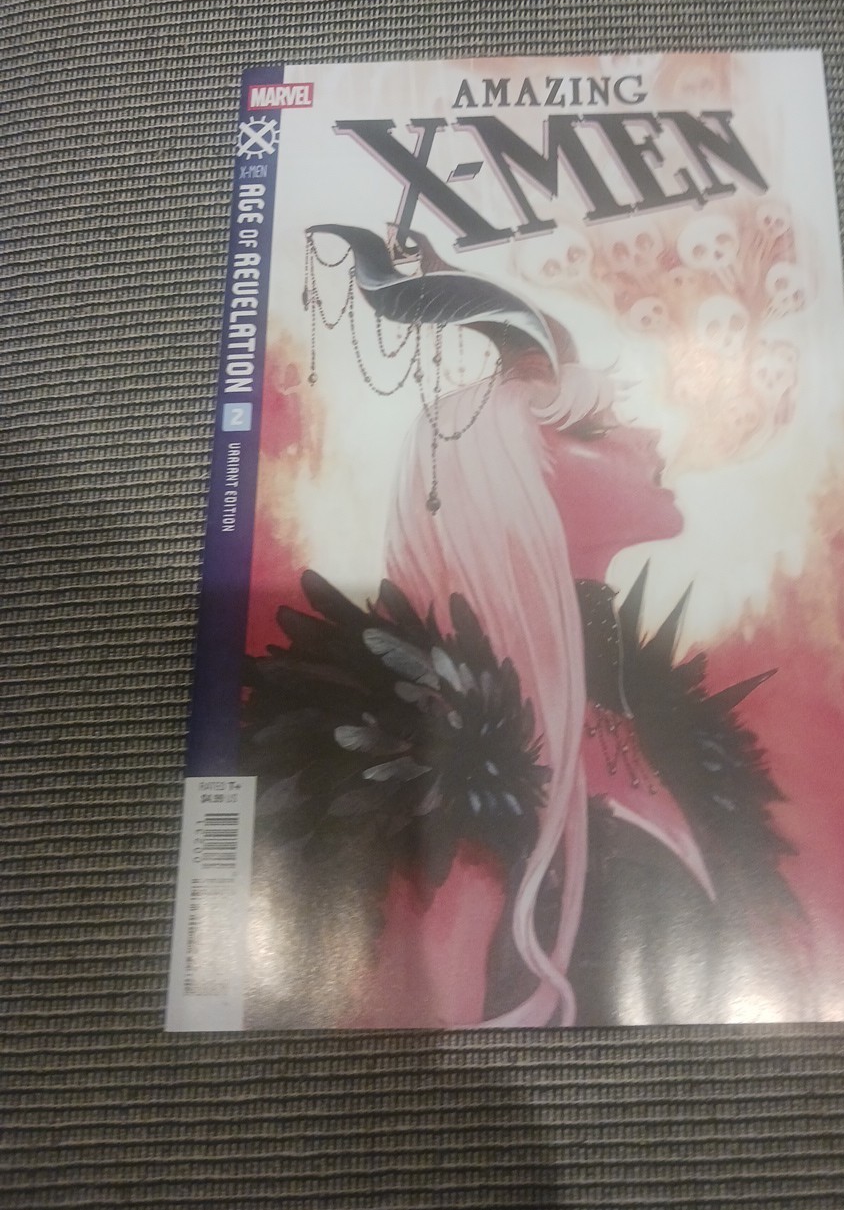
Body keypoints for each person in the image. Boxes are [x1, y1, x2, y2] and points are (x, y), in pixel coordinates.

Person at [241, 229, 797, 1028]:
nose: (648, 437)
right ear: (508, 492)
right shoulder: (439, 784)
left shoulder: (662, 731)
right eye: (594, 430)